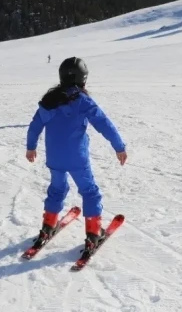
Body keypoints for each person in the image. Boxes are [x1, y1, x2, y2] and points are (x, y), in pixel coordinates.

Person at [26, 57, 127, 255]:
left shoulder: (49, 101)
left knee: (57, 189)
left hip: (54, 158)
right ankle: (93, 233)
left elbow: (35, 125)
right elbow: (103, 123)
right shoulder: (82, 100)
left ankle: (48, 226)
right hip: (77, 159)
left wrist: (31, 147)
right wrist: (119, 146)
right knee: (90, 192)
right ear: (82, 78)